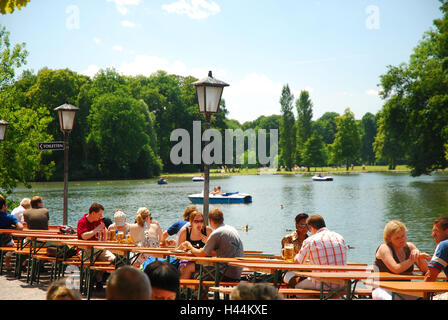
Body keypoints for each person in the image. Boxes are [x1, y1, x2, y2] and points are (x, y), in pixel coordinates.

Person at [283, 214, 347, 289]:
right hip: (343, 285)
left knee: (288, 277)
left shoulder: (310, 240)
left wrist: (295, 256)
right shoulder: (339, 237)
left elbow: (298, 263)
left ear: (310, 227)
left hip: (322, 284)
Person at [181, 208, 244, 282]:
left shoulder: (217, 233)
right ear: (223, 219)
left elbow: (201, 254)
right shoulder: (231, 229)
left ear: (210, 221)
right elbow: (216, 252)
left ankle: (184, 292)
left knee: (195, 274)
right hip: (237, 272)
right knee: (195, 270)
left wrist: (190, 247)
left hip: (224, 273)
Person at [372, 220, 430, 300]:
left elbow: (426, 270)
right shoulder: (384, 248)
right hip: (383, 289)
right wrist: (412, 259)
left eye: (403, 236)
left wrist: (419, 256)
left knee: (424, 298)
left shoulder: (410, 247)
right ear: (389, 239)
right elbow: (396, 269)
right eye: (397, 238)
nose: (402, 239)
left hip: (404, 289)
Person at [77, 203, 115, 288]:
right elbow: (84, 236)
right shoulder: (82, 222)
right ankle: (90, 280)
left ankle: (99, 276)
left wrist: (105, 240)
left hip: (98, 249)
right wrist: (96, 229)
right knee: (91, 260)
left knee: (113, 259)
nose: (101, 216)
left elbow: (105, 230)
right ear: (93, 213)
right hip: (84, 250)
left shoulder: (98, 221)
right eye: (99, 214)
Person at [176, 210, 213, 278]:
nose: (199, 224)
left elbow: (214, 251)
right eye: (196, 221)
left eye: (201, 221)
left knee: (187, 268)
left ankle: (183, 287)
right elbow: (176, 252)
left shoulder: (207, 231)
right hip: (188, 260)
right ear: (191, 222)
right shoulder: (185, 232)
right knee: (183, 268)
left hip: (203, 262)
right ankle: (182, 287)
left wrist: (207, 243)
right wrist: (182, 246)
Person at [425, 217, 448, 300]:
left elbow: (430, 276)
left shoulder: (444, 245)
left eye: (436, 231)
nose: (433, 234)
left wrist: (423, 296)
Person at [0, 194, 24, 271]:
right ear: (4, 206)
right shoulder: (9, 217)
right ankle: (8, 264)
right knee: (12, 244)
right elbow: (20, 227)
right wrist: (12, 229)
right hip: (5, 242)